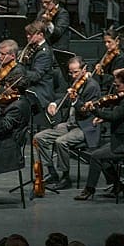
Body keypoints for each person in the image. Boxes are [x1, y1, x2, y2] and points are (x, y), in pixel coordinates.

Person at [74, 68, 124, 200]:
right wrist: (103, 117)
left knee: (96, 156)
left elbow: (114, 116)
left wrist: (95, 110)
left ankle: (89, 189)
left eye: (117, 85)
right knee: (102, 156)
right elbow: (120, 115)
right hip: (122, 141)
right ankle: (117, 185)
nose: (115, 89)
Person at [33, 55, 101, 190]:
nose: (73, 75)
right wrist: (54, 104)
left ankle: (65, 177)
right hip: (71, 124)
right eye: (71, 73)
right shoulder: (76, 83)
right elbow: (66, 99)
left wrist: (75, 100)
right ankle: (52, 172)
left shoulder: (92, 86)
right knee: (39, 138)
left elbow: (87, 112)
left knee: (61, 142)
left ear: (84, 69)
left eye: (76, 72)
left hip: (86, 127)